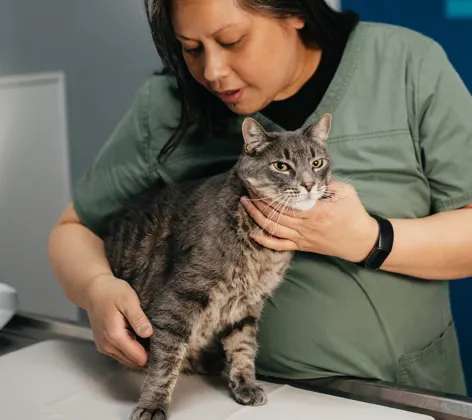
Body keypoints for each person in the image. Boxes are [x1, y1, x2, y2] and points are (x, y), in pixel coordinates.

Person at [48, 0, 472, 396]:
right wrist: (95, 288)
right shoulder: (163, 106)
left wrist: (371, 239)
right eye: (191, 48)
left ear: (293, 11)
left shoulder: (409, 65)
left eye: (232, 41)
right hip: (221, 397)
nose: (212, 71)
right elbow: (73, 229)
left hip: (396, 396)